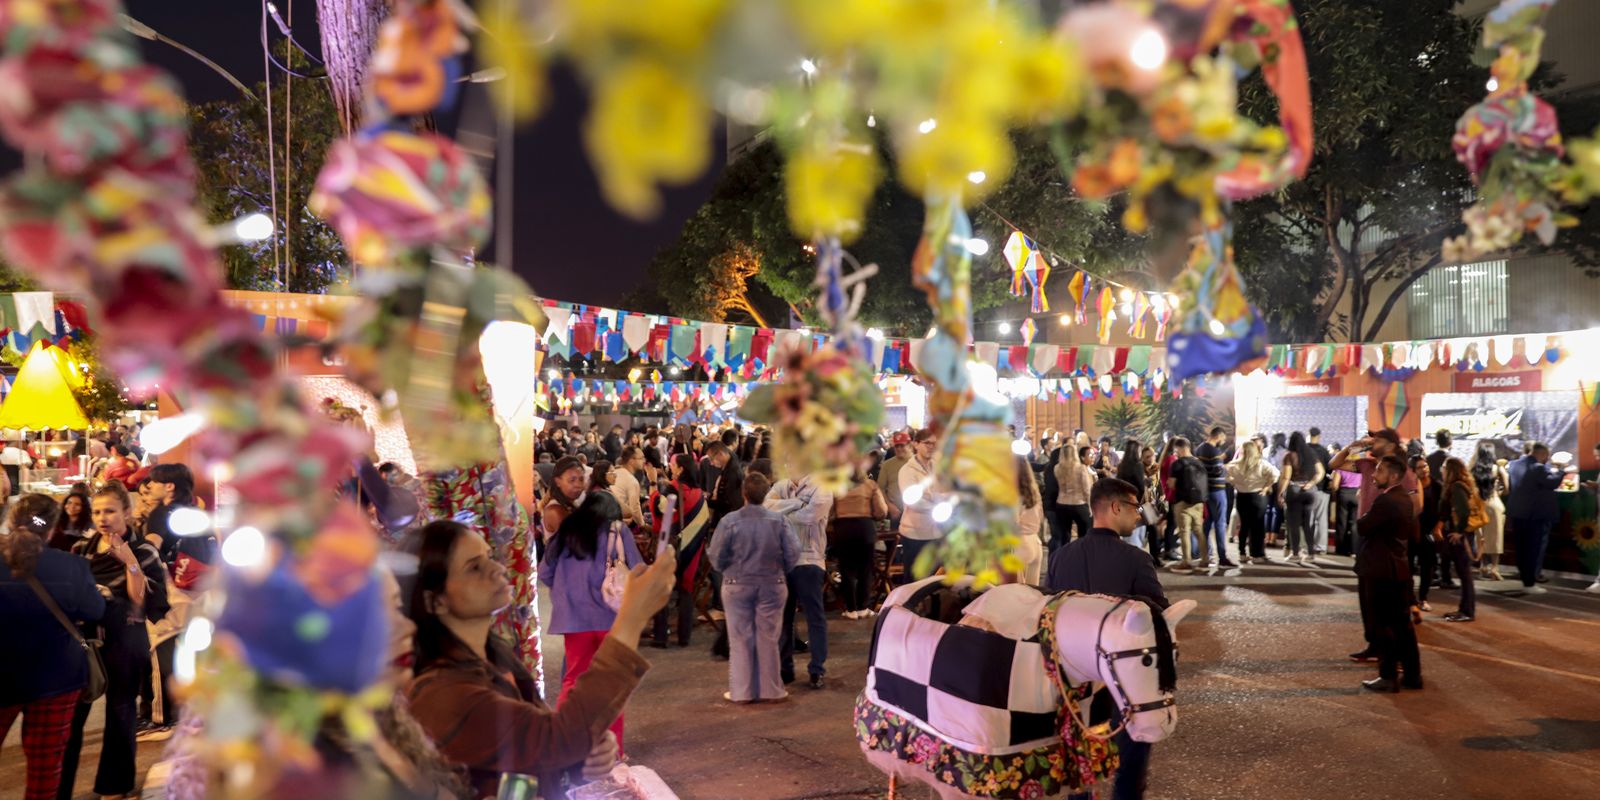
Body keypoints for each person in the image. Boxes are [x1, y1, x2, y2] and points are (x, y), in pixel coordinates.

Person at [407, 519, 674, 797]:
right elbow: (555, 739)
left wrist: (577, 762)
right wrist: (631, 617)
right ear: (434, 601)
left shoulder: (492, 657)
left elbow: (519, 766)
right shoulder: (444, 694)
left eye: (489, 556)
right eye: (474, 567)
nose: (498, 569)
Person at [1046, 477, 1167, 800]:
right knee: (1132, 747)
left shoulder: (1060, 556)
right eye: (1135, 507)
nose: (1139, 515)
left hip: (1073, 679)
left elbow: (1047, 613)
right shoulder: (1136, 559)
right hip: (1120, 677)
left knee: (1078, 753)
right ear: (1115, 507)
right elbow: (1157, 616)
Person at [60, 484, 170, 800]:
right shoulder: (82, 548)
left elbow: (141, 603)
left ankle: (115, 786)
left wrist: (129, 562)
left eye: (109, 511)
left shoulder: (144, 551)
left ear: (127, 512)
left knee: (121, 712)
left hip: (125, 638)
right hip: (84, 640)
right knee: (71, 716)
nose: (102, 518)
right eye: (97, 512)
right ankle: (58, 787)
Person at [1, 494, 107, 800]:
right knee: (45, 772)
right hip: (57, 677)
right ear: (51, 529)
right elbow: (95, 610)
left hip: (3, 674)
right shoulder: (71, 566)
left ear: (11, 522)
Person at [539, 491, 642, 755]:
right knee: (613, 685)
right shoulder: (618, 531)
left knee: (573, 680)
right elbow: (637, 569)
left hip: (575, 622)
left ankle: (564, 746)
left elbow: (544, 573)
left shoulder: (566, 532)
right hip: (611, 620)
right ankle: (613, 751)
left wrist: (566, 591)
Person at [708, 473, 800, 703]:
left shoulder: (729, 521)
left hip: (737, 585)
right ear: (766, 493)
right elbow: (793, 552)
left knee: (740, 639)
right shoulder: (779, 521)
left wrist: (728, 569)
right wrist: (780, 569)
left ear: (744, 494)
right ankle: (772, 690)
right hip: (772, 584)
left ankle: (742, 692)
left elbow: (716, 556)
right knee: (769, 638)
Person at [1354, 456, 1423, 693]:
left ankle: (1388, 675)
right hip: (1398, 567)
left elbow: (1363, 526)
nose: (1374, 475)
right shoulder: (1405, 498)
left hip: (1380, 568)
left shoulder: (1386, 500)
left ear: (1393, 476)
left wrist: (1365, 514)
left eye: (1380, 471)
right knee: (1402, 625)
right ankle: (1413, 675)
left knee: (1383, 624)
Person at [766, 471, 833, 689]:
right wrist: (797, 504)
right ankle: (785, 669)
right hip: (783, 560)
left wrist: (781, 511)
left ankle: (817, 669)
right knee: (783, 617)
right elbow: (766, 509)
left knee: (814, 617)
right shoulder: (781, 485)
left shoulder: (822, 486)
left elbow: (810, 517)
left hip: (809, 560)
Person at [646, 454, 711, 647]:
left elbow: (658, 509)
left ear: (681, 469)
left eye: (673, 464)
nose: (670, 466)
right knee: (686, 590)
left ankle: (661, 637)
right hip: (693, 548)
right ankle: (684, 637)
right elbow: (704, 522)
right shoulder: (699, 494)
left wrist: (652, 484)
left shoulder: (672, 489)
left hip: (670, 547)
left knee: (662, 588)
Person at [1505, 442, 1565, 593]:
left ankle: (1525, 578)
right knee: (1532, 549)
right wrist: (1561, 470)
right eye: (1547, 456)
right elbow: (1552, 482)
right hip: (1534, 515)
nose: (1547, 459)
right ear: (1542, 454)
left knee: (1521, 548)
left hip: (1517, 513)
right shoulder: (1537, 468)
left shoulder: (1513, 465)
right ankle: (1529, 584)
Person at [832, 469, 887, 619]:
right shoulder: (870, 485)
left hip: (843, 529)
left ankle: (851, 610)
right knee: (865, 570)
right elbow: (881, 511)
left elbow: (829, 511)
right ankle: (863, 607)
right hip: (865, 529)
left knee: (846, 570)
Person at [897, 428, 943, 579]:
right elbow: (913, 501)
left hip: (935, 532)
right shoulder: (907, 471)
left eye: (934, 444)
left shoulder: (937, 467)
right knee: (913, 579)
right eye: (927, 443)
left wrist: (931, 496)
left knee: (934, 580)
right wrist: (937, 504)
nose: (931, 447)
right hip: (914, 534)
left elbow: (945, 492)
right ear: (916, 444)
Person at [1437, 457, 1478, 622]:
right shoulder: (1458, 485)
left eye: (1444, 467)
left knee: (1464, 573)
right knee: (1463, 573)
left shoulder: (1456, 487)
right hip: (1461, 534)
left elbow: (1464, 511)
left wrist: (1459, 532)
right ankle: (1464, 609)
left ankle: (1467, 611)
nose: (1442, 469)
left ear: (1450, 470)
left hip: (1461, 536)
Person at [1277, 432, 1326, 565]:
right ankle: (1310, 553)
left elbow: (1286, 477)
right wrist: (1311, 483)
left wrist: (1280, 493)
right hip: (1310, 491)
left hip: (1294, 490)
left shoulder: (1289, 456)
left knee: (1293, 524)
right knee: (1308, 524)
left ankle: (1295, 554)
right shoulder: (1311, 453)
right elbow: (1321, 472)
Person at [1227, 439, 1279, 565]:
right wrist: (1266, 487)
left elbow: (1227, 478)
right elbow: (1276, 474)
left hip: (1242, 496)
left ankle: (1242, 553)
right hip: (1258, 496)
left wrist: (1236, 483)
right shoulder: (1261, 463)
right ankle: (1257, 554)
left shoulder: (1234, 465)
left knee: (1244, 525)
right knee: (1257, 526)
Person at [1166, 437, 1209, 572]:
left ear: (1179, 448)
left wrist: (1170, 484)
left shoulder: (1177, 464)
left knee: (1184, 531)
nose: (1176, 452)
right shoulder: (1199, 463)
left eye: (1176, 449)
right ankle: (1205, 559)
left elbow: (1171, 484)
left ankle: (1186, 561)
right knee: (1199, 530)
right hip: (1198, 502)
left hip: (1183, 502)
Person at [1410, 456, 1444, 620]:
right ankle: (1409, 599)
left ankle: (1423, 598)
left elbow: (1444, 510)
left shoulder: (1436, 486)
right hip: (1411, 530)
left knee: (1427, 566)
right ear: (1412, 470)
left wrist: (1438, 527)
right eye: (1420, 467)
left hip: (1428, 532)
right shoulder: (1409, 486)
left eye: (1426, 466)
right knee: (1408, 566)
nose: (1425, 469)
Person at [1195, 426, 1234, 566]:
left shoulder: (1199, 449)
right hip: (1217, 490)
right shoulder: (1214, 451)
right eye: (1223, 438)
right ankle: (1222, 557)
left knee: (1207, 523)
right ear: (1218, 436)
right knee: (1220, 524)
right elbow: (1218, 471)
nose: (1223, 441)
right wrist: (1226, 468)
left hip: (1206, 490)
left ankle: (1205, 555)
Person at [1470, 443, 1509, 581]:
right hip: (1494, 504)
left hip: (1478, 506)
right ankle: (1494, 568)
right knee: (1496, 537)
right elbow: (1507, 487)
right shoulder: (1497, 468)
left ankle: (1483, 566)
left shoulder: (1473, 469)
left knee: (1481, 537)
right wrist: (1499, 492)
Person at [1053, 440, 1095, 547]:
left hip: (1061, 503)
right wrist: (1090, 507)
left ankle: (1064, 555)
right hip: (1079, 504)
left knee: (1064, 536)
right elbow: (1087, 490)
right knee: (1084, 535)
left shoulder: (1057, 468)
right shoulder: (1081, 468)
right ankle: (1082, 554)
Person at [1012, 455, 1046, 584]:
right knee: (1033, 591)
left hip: (1019, 544)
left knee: (1015, 591)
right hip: (1035, 543)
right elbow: (1041, 516)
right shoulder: (1033, 492)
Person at [542, 456, 587, 542]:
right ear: (558, 482)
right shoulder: (555, 511)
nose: (578, 485)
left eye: (581, 479)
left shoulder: (571, 504)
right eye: (572, 480)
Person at [1306, 427, 1333, 555]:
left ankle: (1306, 545)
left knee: (1307, 518)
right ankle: (1321, 546)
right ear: (1319, 436)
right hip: (1322, 489)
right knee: (1321, 519)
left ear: (1308, 435)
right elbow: (1330, 469)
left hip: (1306, 487)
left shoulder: (1304, 450)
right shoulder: (1324, 451)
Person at [877, 433, 912, 530]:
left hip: (916, 512)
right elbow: (880, 488)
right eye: (897, 446)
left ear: (910, 445)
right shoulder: (887, 465)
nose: (899, 449)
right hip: (895, 512)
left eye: (902, 445)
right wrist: (889, 506)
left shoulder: (917, 462)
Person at [1331, 457, 1362, 556]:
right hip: (1357, 494)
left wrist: (1334, 494)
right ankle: (1354, 549)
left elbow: (1335, 485)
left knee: (1342, 523)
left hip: (1343, 494)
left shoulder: (1341, 468)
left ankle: (1341, 549)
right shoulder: (1361, 469)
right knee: (1354, 523)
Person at [612, 447, 646, 530]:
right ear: (631, 461)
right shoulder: (631, 481)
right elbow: (635, 510)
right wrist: (644, 526)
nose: (644, 461)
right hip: (618, 524)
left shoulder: (615, 472)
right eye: (641, 458)